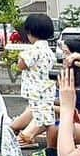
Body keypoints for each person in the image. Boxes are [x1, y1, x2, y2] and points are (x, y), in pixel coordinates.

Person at [33, 39, 80, 156]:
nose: (64, 57)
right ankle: (29, 138)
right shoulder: (77, 75)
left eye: (66, 53)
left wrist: (60, 109)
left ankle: (49, 150)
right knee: (42, 109)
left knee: (52, 123)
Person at [11, 14, 55, 145]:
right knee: (43, 113)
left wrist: (19, 57)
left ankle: (27, 136)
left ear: (29, 32)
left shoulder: (34, 49)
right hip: (47, 88)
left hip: (36, 89)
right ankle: (41, 139)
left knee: (39, 115)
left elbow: (21, 65)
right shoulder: (48, 50)